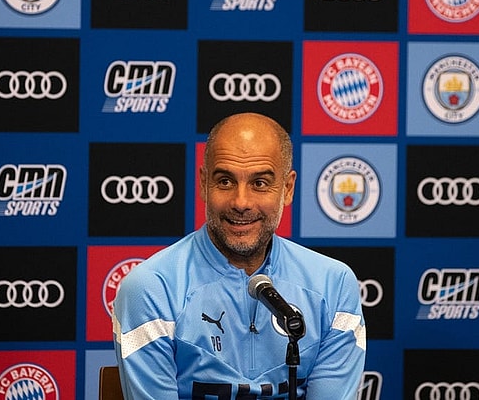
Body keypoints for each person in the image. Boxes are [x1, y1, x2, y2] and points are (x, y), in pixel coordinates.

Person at [112, 113, 365, 399]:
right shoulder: (150, 289)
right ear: (203, 183)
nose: (241, 202)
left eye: (259, 183)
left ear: (288, 188)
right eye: (225, 181)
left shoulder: (334, 286)